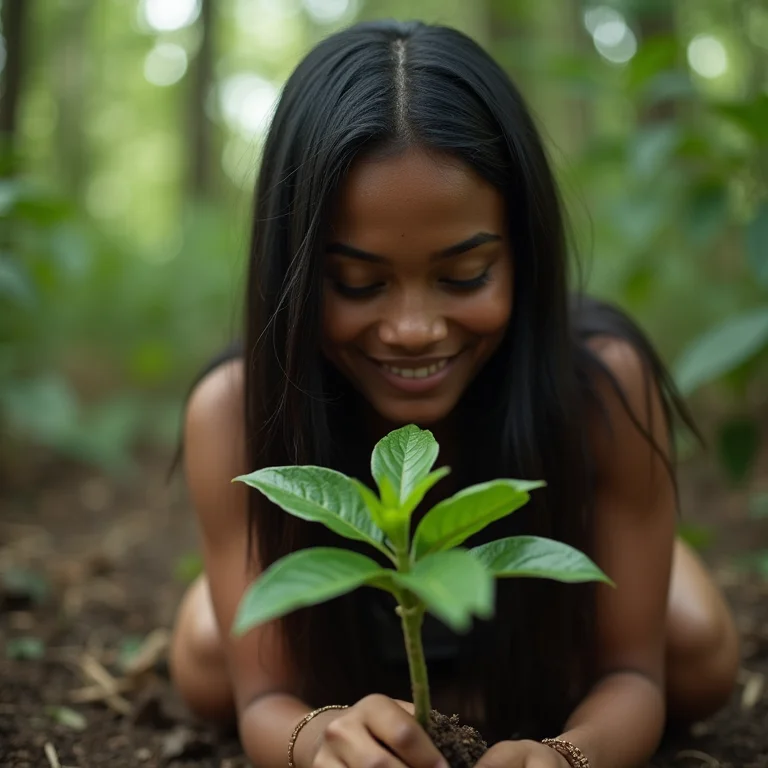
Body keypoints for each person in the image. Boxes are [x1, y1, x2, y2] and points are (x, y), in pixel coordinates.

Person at [169, 20, 740, 768]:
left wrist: (571, 754)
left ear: (524, 254)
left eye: (465, 275)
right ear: (294, 272)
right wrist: (321, 743)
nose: (414, 329)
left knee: (697, 651)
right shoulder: (234, 411)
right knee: (207, 662)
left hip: (548, 618)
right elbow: (265, 700)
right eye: (358, 282)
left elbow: (634, 675)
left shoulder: (602, 385)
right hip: (340, 638)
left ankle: (637, 563)